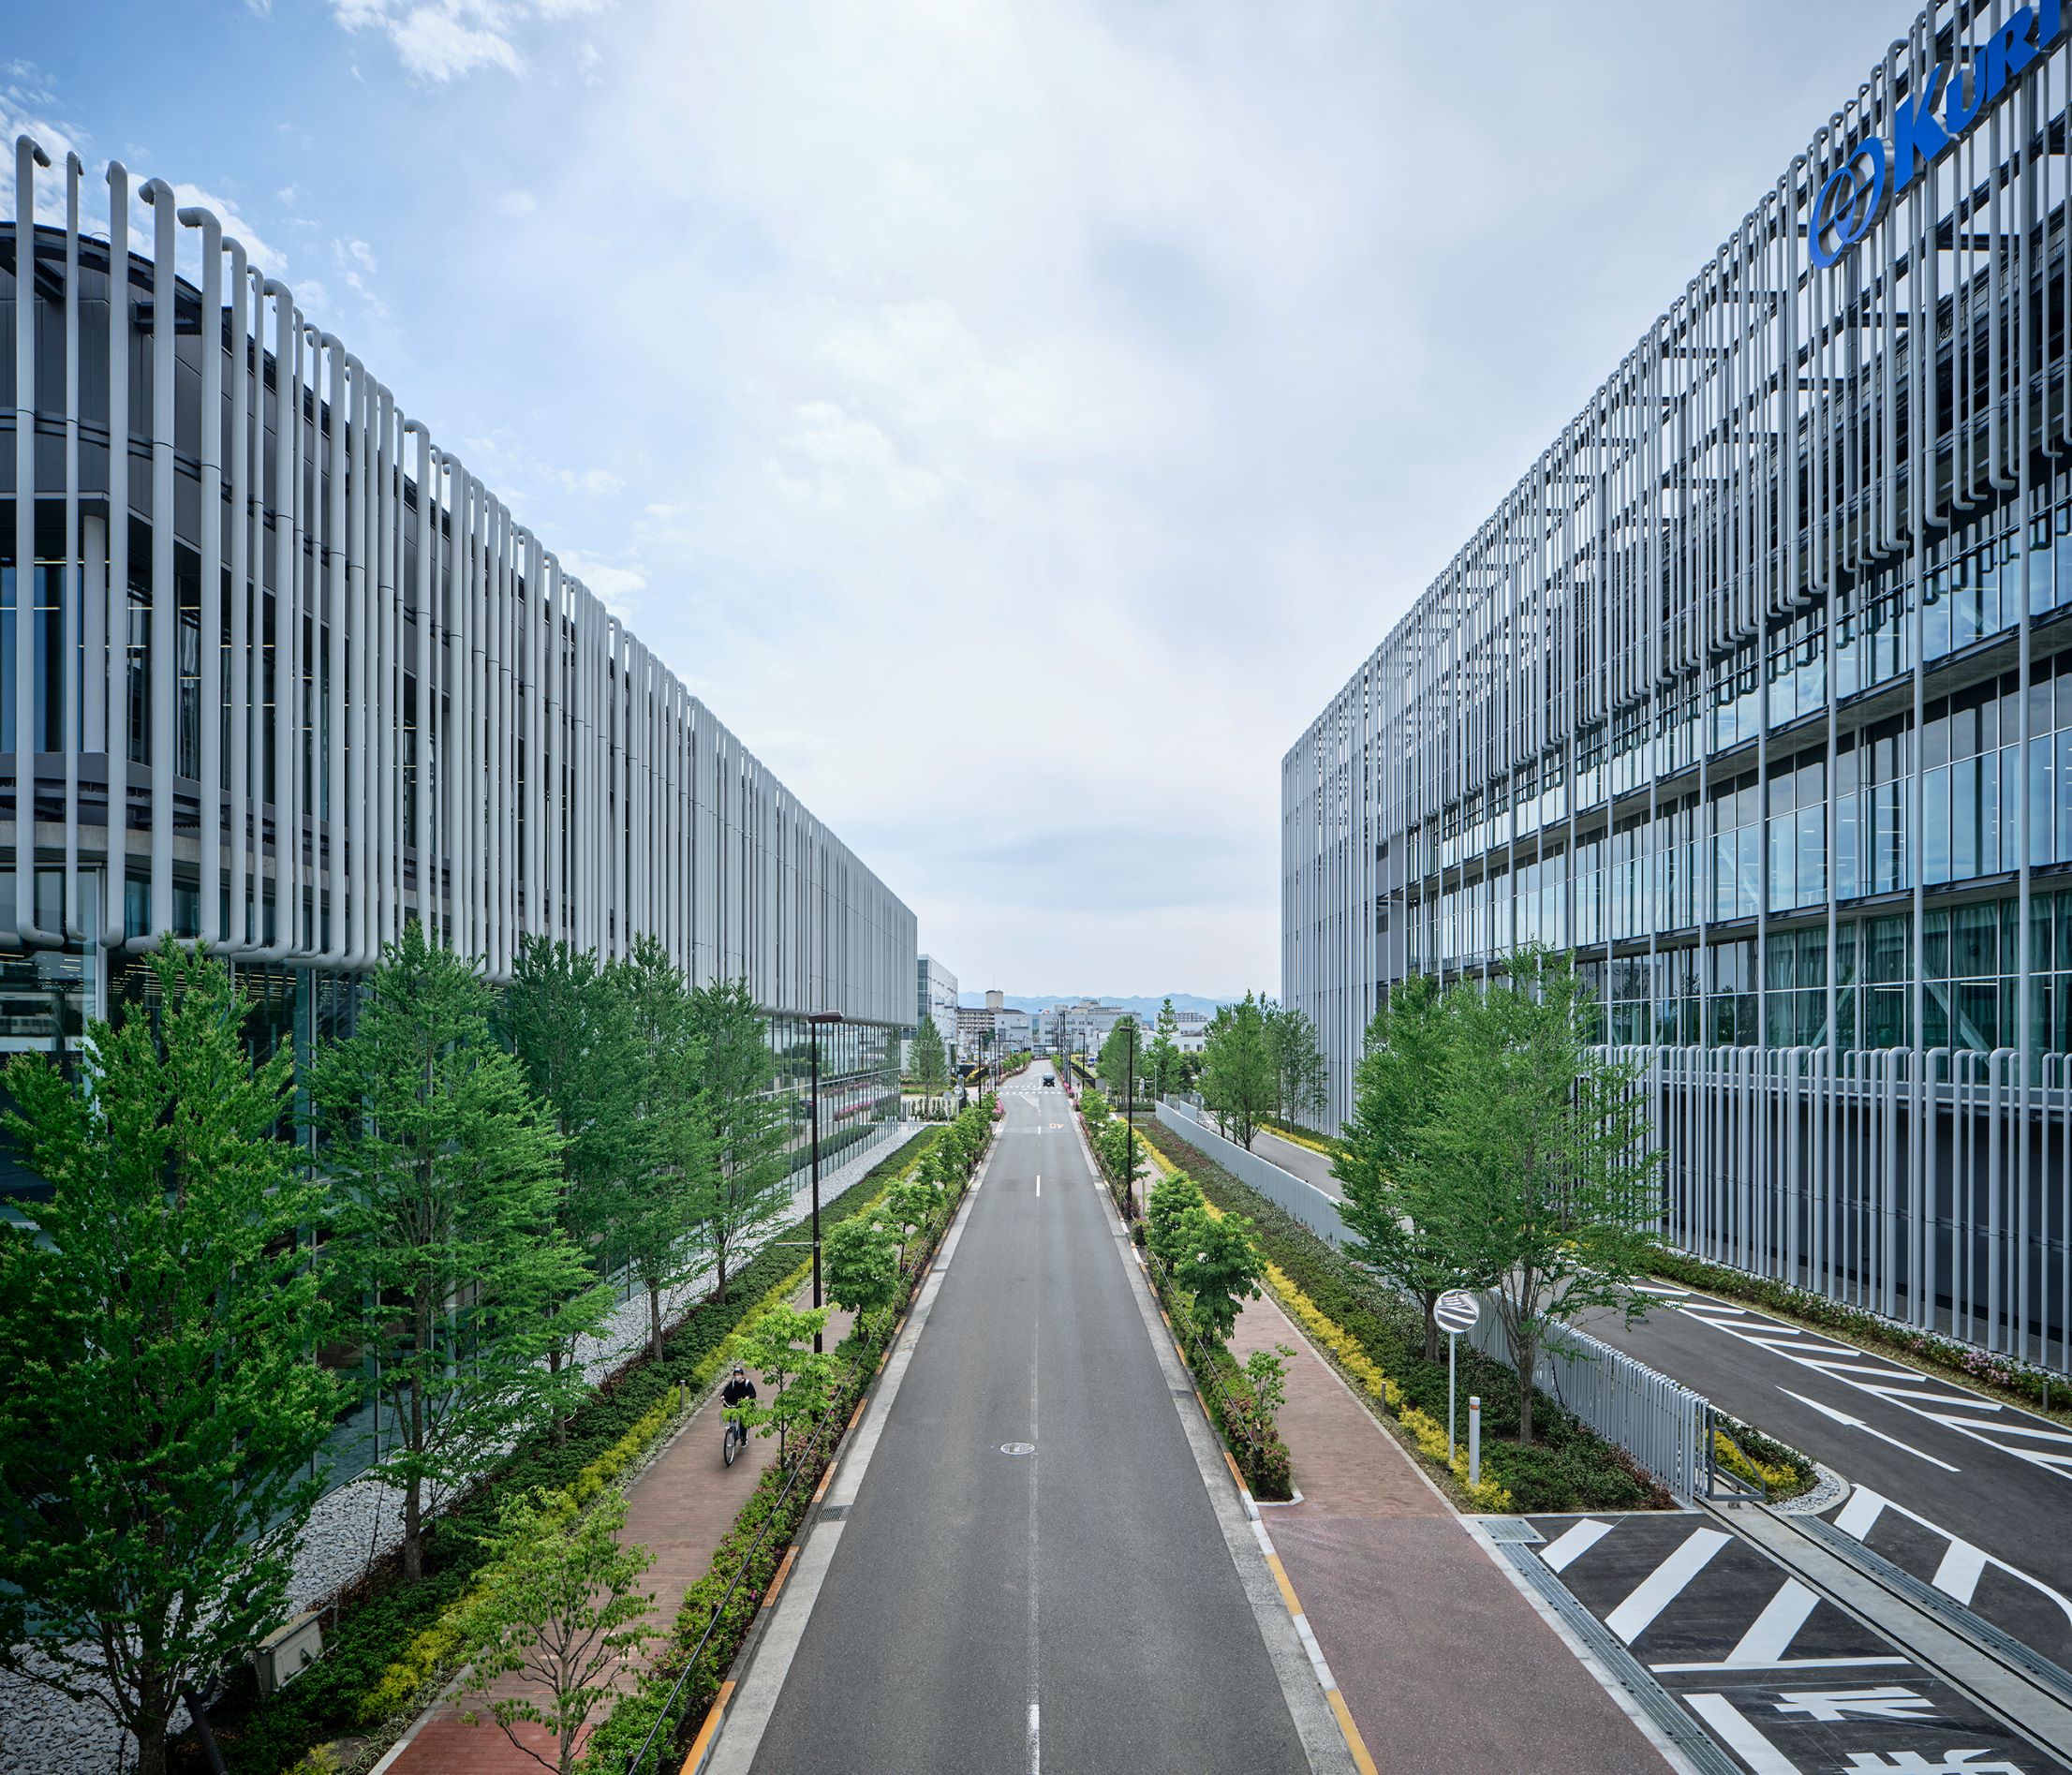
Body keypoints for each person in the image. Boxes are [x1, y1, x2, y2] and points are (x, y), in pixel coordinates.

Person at [720, 1363, 757, 1437]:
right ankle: (731, 1430)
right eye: (735, 1375)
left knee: (743, 1423)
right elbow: (727, 1391)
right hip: (734, 1404)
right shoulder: (733, 1383)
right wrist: (723, 1396)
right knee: (730, 1416)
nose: (737, 1376)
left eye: (738, 1375)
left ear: (742, 1375)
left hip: (744, 1405)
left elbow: (753, 1393)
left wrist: (748, 1397)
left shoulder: (747, 1383)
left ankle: (744, 1438)